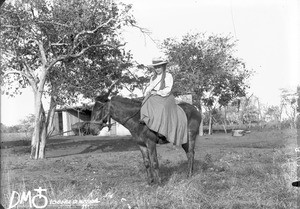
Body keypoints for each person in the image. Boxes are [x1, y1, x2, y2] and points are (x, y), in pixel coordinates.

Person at [140, 57, 188, 145]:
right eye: (156, 67)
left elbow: (168, 89)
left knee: (162, 107)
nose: (157, 69)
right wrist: (149, 91)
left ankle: (162, 130)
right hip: (154, 95)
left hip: (166, 96)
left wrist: (157, 92)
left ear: (163, 67)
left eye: (159, 67)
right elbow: (150, 87)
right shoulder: (153, 77)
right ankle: (146, 120)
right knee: (145, 101)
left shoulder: (168, 76)